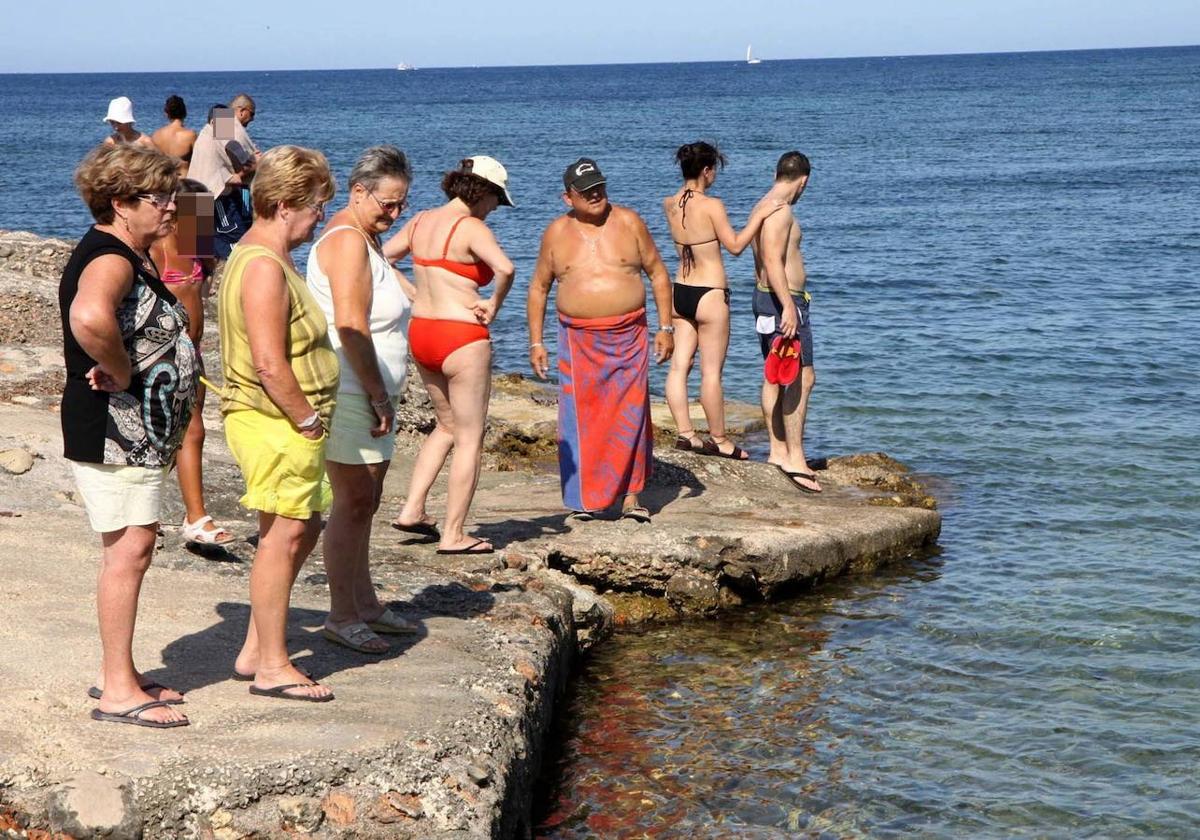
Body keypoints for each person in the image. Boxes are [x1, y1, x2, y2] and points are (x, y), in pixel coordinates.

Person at [60, 144, 197, 728]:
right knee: (129, 551)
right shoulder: (111, 257)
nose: (172, 206)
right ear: (120, 202)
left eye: (172, 194)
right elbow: (90, 317)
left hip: (132, 436)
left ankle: (124, 672)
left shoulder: (129, 252)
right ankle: (117, 689)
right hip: (115, 432)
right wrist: (118, 368)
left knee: (131, 548)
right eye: (158, 196)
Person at [215, 145, 339, 700]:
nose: (320, 220)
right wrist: (307, 418)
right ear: (285, 204)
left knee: (302, 527)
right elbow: (269, 361)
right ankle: (272, 665)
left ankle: (254, 648)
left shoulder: (261, 253)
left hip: (283, 421)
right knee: (282, 535)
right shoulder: (264, 265)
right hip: (275, 421)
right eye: (315, 208)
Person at [306, 146, 418, 653]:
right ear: (358, 192)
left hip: (372, 391)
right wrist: (376, 392)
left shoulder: (367, 240)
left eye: (402, 206)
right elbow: (350, 325)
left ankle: (366, 601)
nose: (395, 215)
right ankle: (342, 613)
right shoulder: (348, 241)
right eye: (388, 204)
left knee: (367, 501)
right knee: (352, 502)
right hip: (352, 391)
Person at [527, 158, 673, 522]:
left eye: (600, 187)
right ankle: (585, 501)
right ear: (567, 197)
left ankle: (631, 499)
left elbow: (657, 274)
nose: (595, 195)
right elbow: (539, 288)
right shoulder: (555, 233)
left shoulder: (629, 221)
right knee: (581, 418)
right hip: (577, 340)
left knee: (632, 414)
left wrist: (666, 328)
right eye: (586, 190)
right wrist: (536, 342)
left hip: (630, 334)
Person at [382, 157, 515, 555]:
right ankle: (454, 534)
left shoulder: (422, 220)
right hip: (461, 335)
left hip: (422, 332)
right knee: (470, 436)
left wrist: (413, 294)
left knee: (446, 426)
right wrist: (493, 304)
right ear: (483, 192)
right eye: (496, 200)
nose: (495, 208)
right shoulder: (472, 227)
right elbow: (505, 268)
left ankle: (412, 509)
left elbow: (383, 257)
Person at [662, 141, 783, 460]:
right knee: (711, 372)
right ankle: (720, 439)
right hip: (710, 293)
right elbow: (735, 245)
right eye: (713, 170)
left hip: (680, 291)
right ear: (706, 171)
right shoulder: (712, 205)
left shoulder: (669, 203)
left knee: (679, 367)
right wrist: (759, 217)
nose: (714, 176)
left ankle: (686, 434)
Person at [149, 179, 231, 547]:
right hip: (163, 356)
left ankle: (178, 512)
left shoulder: (196, 250)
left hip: (192, 353)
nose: (204, 225)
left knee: (187, 430)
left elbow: (204, 286)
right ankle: (195, 516)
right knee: (187, 431)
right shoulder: (158, 251)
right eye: (197, 216)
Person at [752, 151, 821, 493]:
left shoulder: (763, 204)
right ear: (803, 180)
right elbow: (772, 260)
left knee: (774, 374)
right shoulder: (781, 211)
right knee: (802, 378)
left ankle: (777, 451)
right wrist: (788, 307)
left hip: (766, 298)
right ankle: (795, 457)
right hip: (784, 301)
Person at [188, 104, 255, 259]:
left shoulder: (204, 137)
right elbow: (234, 179)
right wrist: (255, 163)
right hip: (213, 198)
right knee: (237, 243)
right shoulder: (213, 140)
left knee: (195, 255)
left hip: (191, 197)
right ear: (214, 122)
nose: (229, 131)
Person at [151, 95, 198, 173]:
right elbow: (199, 162)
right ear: (185, 113)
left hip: (163, 181)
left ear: (166, 114)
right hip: (183, 182)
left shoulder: (156, 135)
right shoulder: (190, 136)